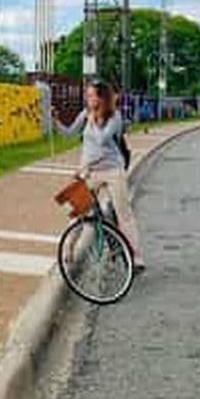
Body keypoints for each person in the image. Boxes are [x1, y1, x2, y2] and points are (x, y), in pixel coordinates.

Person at [54, 80, 145, 270]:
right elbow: (69, 134)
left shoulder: (115, 117)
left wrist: (93, 119)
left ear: (102, 98)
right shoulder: (85, 114)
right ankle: (69, 247)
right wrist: (55, 121)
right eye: (87, 96)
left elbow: (102, 140)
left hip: (113, 171)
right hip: (90, 172)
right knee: (79, 209)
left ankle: (135, 257)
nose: (87, 99)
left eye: (91, 96)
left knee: (124, 213)